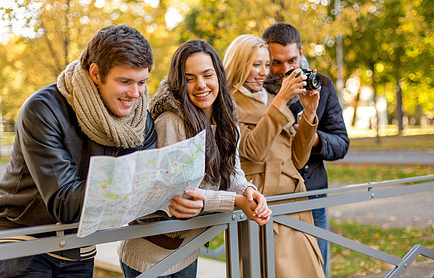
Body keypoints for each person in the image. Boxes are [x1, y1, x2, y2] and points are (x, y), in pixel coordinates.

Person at [0, 24, 158, 277]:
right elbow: (65, 202)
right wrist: (138, 182)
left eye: (141, 82)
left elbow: (149, 186)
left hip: (78, 245)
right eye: (125, 81)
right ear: (95, 73)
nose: (135, 93)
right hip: (22, 239)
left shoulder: (139, 119)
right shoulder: (43, 109)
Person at [118, 39, 272, 278]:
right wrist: (236, 201)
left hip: (187, 249)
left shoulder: (226, 120)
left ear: (219, 76)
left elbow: (233, 171)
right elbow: (180, 196)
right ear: (179, 82)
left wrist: (248, 191)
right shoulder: (171, 121)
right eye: (189, 78)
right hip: (149, 255)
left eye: (207, 75)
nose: (201, 85)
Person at [223, 34, 324, 277]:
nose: (263, 72)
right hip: (264, 203)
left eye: (266, 65)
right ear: (239, 64)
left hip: (295, 202)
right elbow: (252, 151)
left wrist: (309, 114)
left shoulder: (269, 98)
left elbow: (298, 160)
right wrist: (280, 100)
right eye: (255, 64)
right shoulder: (227, 103)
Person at [262, 23, 350, 273]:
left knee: (317, 270)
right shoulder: (256, 87)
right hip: (269, 199)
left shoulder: (322, 84)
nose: (285, 70)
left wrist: (313, 138)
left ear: (301, 53)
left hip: (311, 197)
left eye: (291, 60)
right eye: (275, 63)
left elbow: (342, 143)